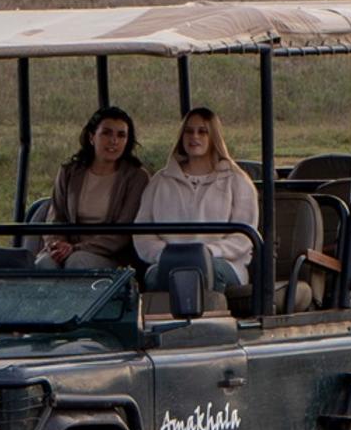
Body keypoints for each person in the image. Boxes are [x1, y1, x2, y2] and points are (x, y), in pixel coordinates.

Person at [132, 105, 258, 307]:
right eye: (189, 131)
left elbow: (243, 237)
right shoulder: (160, 181)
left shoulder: (236, 181)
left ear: (213, 136)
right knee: (155, 276)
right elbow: (142, 232)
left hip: (222, 262)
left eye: (202, 132)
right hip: (168, 260)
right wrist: (164, 254)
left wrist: (208, 252)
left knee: (205, 270)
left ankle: (207, 328)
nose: (194, 137)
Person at [37, 105, 149, 267]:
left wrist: (76, 248)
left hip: (108, 254)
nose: (114, 141)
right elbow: (56, 217)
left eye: (121, 135)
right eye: (106, 133)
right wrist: (57, 244)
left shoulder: (136, 178)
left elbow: (123, 232)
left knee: (78, 262)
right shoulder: (69, 172)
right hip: (65, 249)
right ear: (91, 137)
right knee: (45, 263)